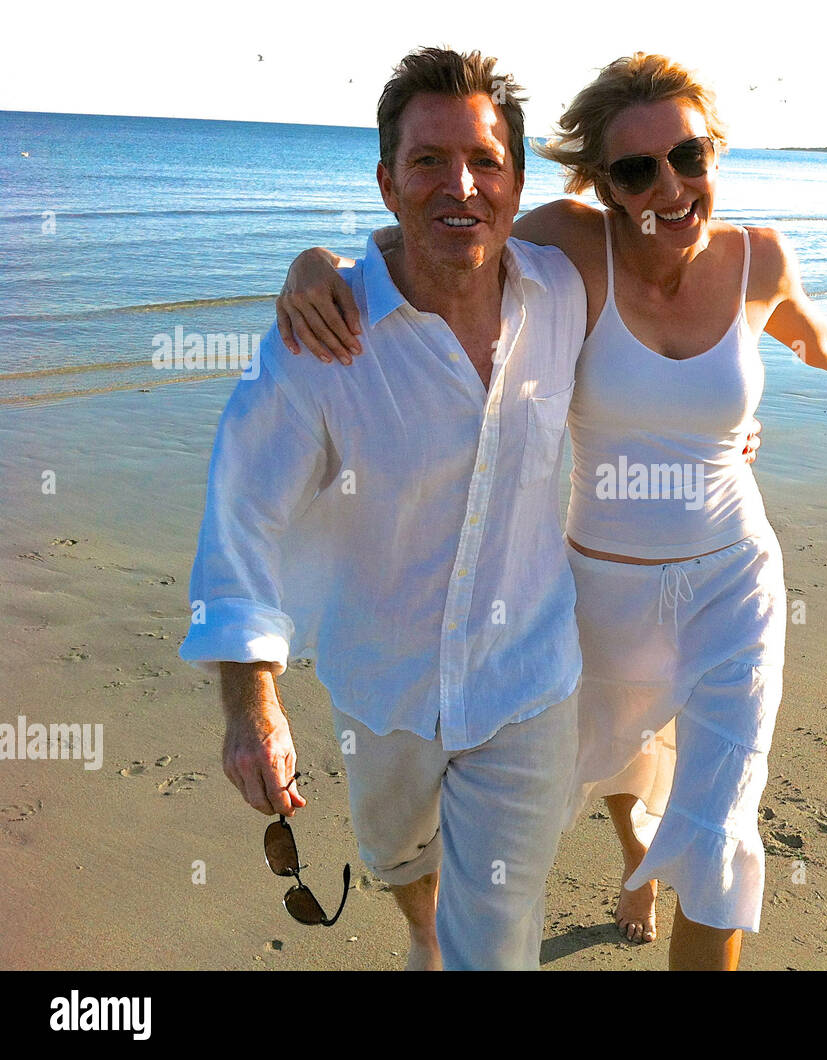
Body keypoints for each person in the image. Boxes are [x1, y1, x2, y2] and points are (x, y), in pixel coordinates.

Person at [278, 52, 827, 970]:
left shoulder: (759, 259)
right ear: (605, 185)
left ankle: (671, 863)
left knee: (716, 827)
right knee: (575, 781)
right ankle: (627, 860)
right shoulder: (575, 247)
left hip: (732, 578)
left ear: (714, 155)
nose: (671, 185)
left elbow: (817, 339)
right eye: (637, 169)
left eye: (689, 157)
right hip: (594, 588)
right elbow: (447, 236)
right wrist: (318, 263)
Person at [179, 47, 590, 971]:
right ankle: (417, 919)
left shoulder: (565, 293)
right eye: (428, 161)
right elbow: (242, 511)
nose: (461, 185)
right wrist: (253, 704)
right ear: (386, 181)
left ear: (518, 182)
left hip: (529, 679)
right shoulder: (322, 335)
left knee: (496, 932)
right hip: (383, 684)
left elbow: (672, 287)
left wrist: (723, 434)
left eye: (486, 161)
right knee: (397, 854)